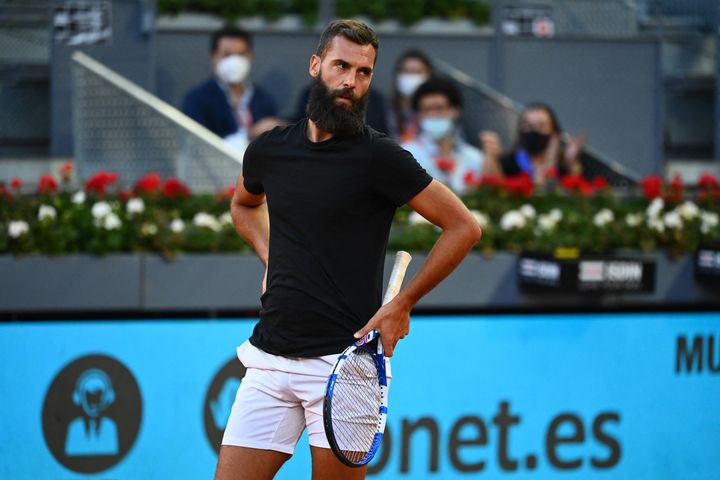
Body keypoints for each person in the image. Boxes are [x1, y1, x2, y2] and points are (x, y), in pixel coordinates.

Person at [217, 19, 482, 480]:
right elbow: (244, 206)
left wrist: (403, 303)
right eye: (342, 66)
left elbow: (463, 227)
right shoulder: (269, 150)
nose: (351, 82)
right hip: (270, 360)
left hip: (347, 365)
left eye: (364, 73)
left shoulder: (380, 158)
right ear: (316, 65)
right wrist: (269, 254)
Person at [181, 25, 283, 151]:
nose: (235, 61)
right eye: (227, 55)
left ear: (250, 56)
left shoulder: (263, 99)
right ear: (213, 57)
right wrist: (250, 135)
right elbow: (198, 148)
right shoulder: (196, 100)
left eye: (241, 54)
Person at [401, 76, 496, 194]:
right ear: (418, 115)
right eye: (426, 109)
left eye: (439, 108)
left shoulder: (475, 158)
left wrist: (492, 158)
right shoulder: (406, 153)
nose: (433, 115)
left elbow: (491, 195)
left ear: (455, 111)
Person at [495, 102, 585, 186]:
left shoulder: (563, 167)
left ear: (554, 133)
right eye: (528, 125)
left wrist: (571, 163)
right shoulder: (507, 163)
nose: (534, 131)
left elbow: (574, 194)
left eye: (541, 126)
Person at [388, 49, 434, 142]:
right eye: (405, 71)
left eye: (417, 72)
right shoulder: (384, 111)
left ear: (429, 75)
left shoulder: (437, 111)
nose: (410, 77)